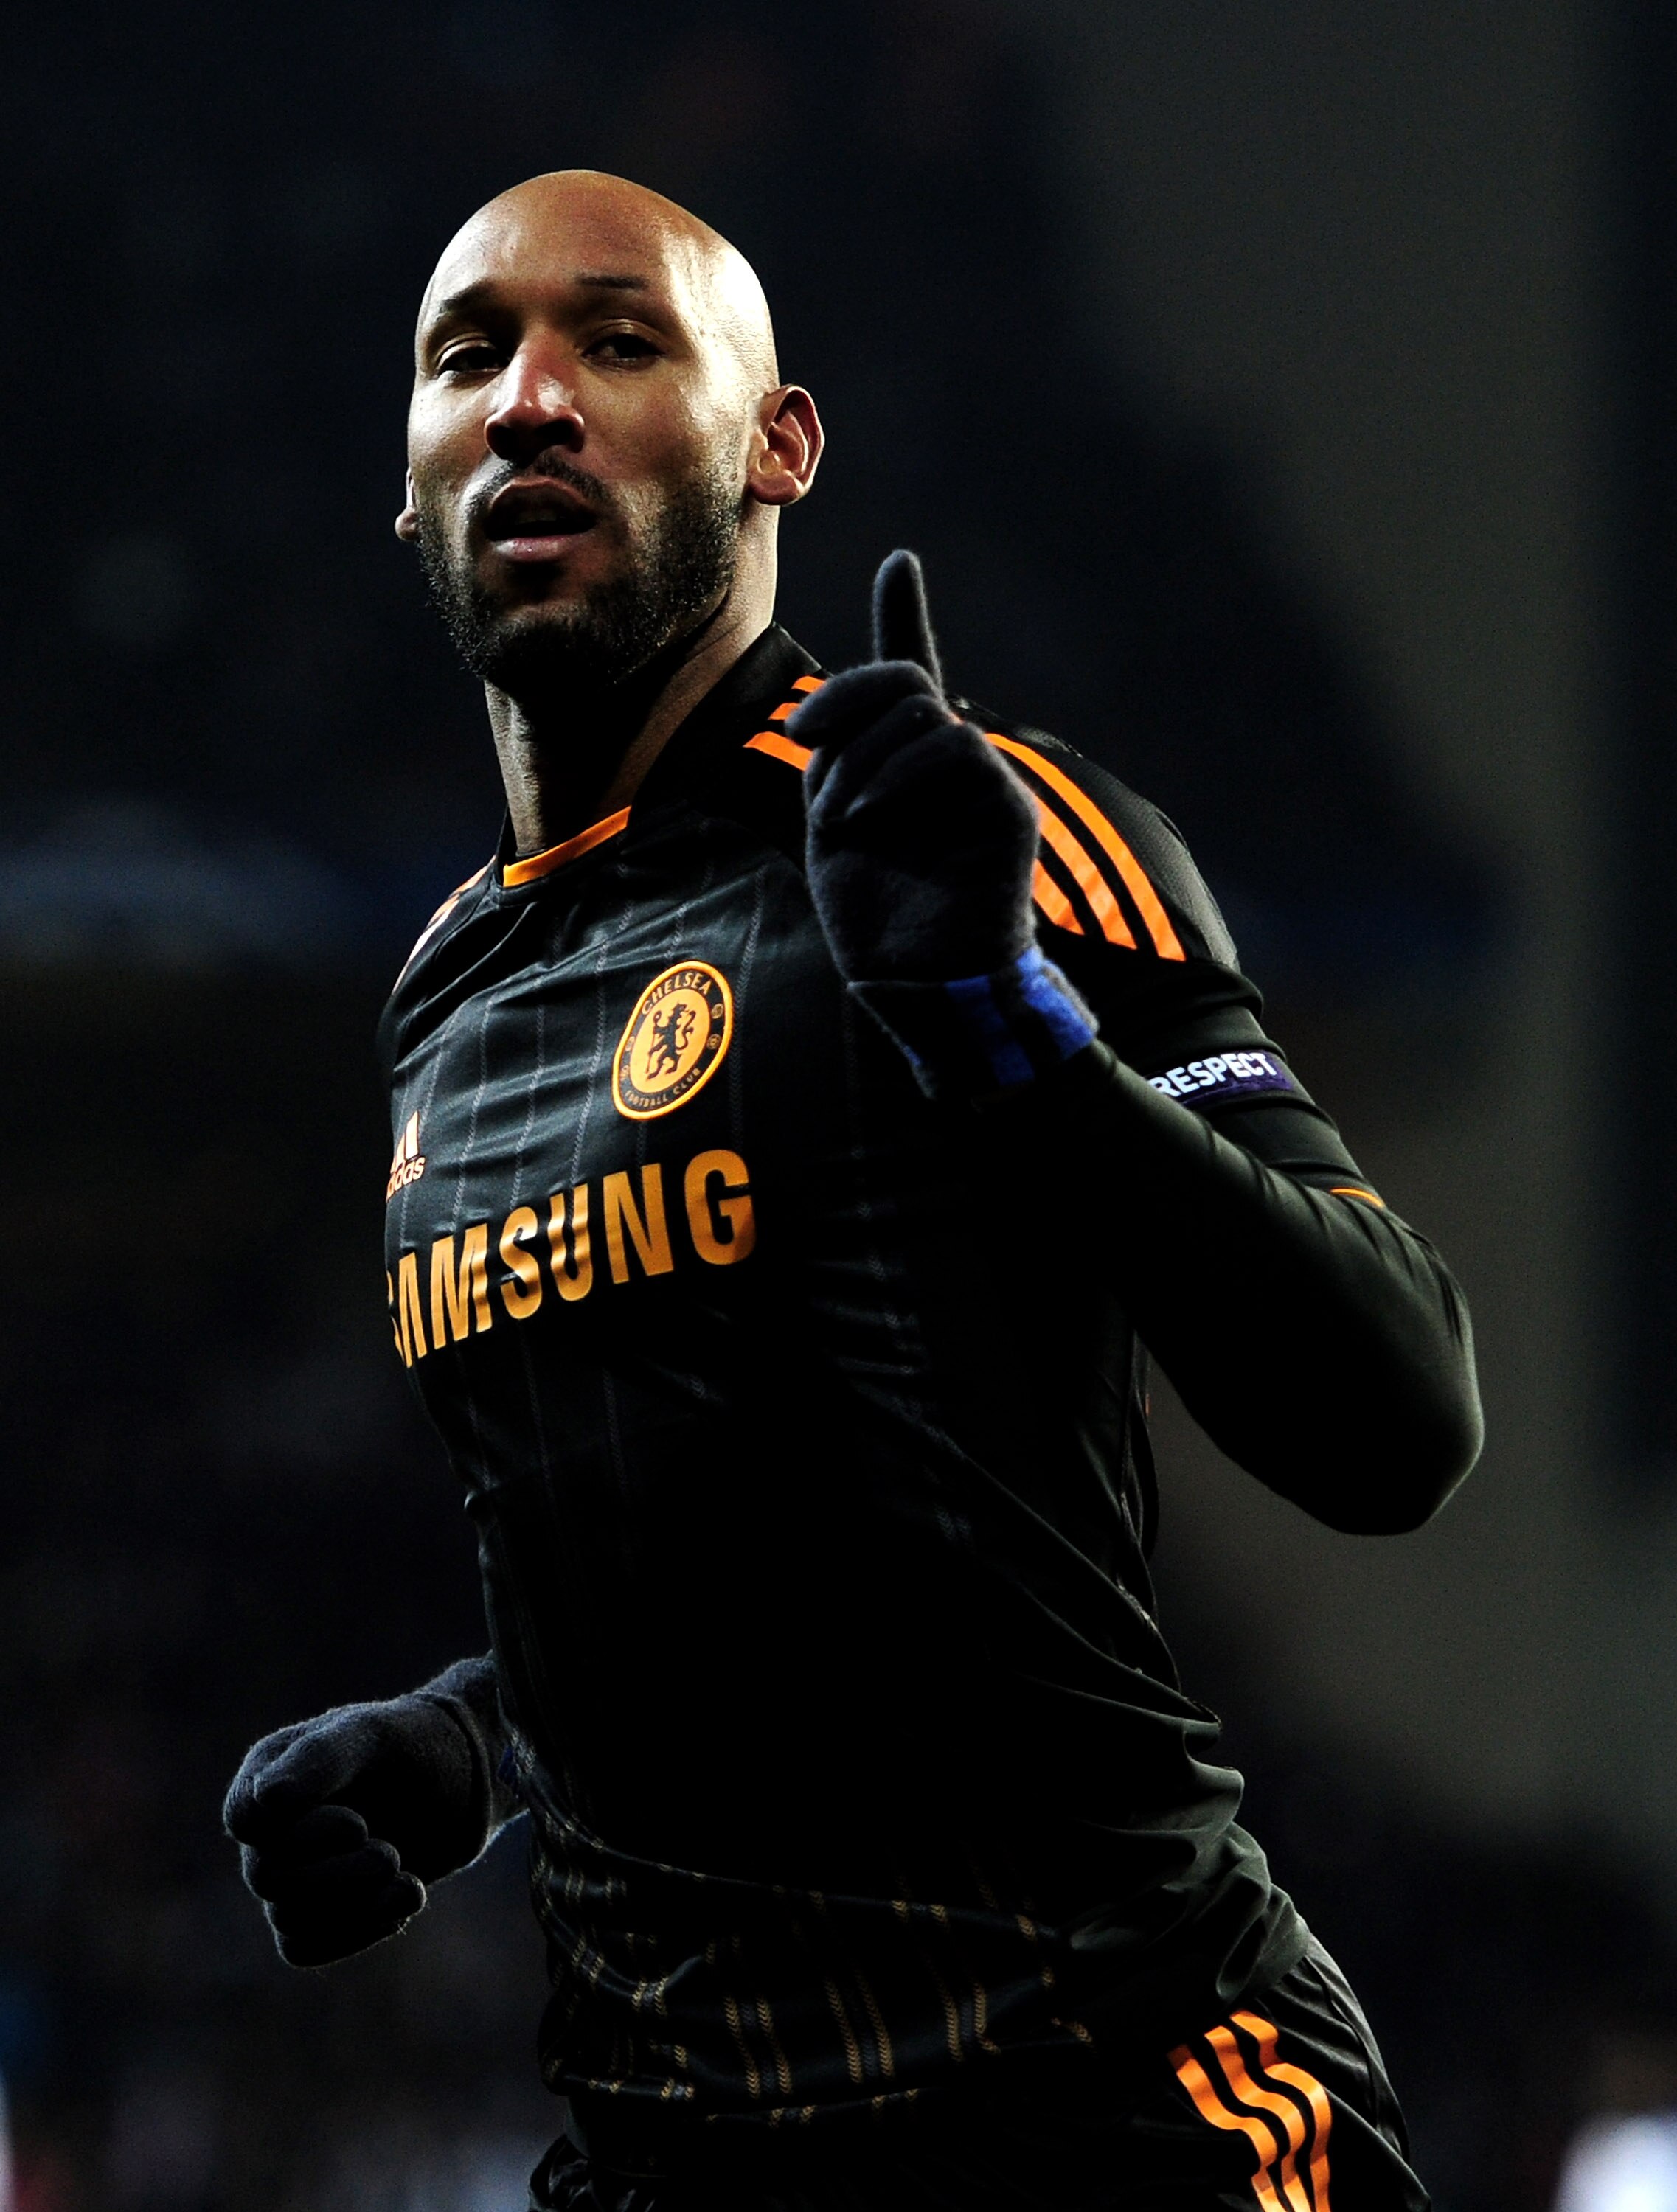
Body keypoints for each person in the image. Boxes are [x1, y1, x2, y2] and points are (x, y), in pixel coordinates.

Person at [223, 170, 1482, 2210]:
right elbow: (718, 1547)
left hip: (1100, 2110)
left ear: (773, 444)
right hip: (659, 2155)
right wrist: (471, 1743)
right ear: (409, 483)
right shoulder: (445, 988)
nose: (530, 398)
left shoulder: (979, 829)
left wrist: (1007, 1037)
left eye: (618, 341)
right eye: (472, 355)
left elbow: (1395, 1412)